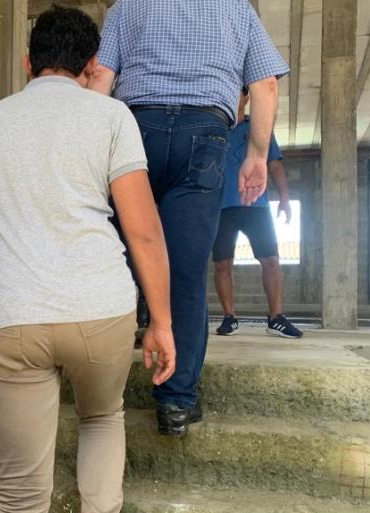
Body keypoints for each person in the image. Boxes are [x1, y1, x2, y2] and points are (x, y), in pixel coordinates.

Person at [0, 7, 175, 513]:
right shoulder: (112, 117)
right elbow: (144, 234)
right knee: (101, 418)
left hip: (14, 318)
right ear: (92, 63)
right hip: (101, 311)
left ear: (28, 63)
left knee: (20, 493)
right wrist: (162, 322)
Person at [88, 0, 289, 436]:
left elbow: (101, 77)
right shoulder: (235, 9)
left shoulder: (127, 6)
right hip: (205, 134)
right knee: (186, 271)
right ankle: (176, 403)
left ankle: (102, 392)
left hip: (136, 130)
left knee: (121, 264)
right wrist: (256, 154)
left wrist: (87, 151)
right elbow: (266, 84)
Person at [213, 88, 303, 339]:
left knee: (271, 260)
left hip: (257, 205)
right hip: (221, 208)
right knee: (222, 264)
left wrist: (284, 198)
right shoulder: (215, 125)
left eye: (238, 93)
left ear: (246, 97)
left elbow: (274, 163)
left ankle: (276, 317)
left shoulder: (258, 128)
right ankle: (229, 317)